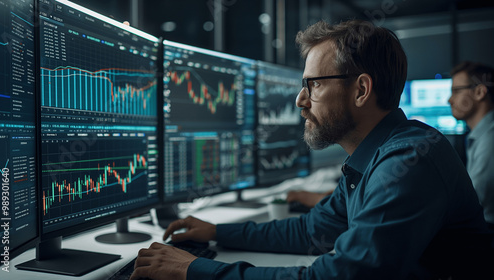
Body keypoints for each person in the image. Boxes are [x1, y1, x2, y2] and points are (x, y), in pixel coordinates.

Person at [131, 20, 493, 280]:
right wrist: (216, 233)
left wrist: (193, 269)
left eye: (313, 84)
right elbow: (312, 231)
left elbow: (339, 275)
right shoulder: (373, 156)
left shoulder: (409, 162)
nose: (300, 99)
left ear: (361, 90)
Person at [448, 61, 494, 229]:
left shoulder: (490, 139)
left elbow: (472, 203)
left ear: (480, 92)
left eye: (456, 91)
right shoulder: (480, 135)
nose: (450, 99)